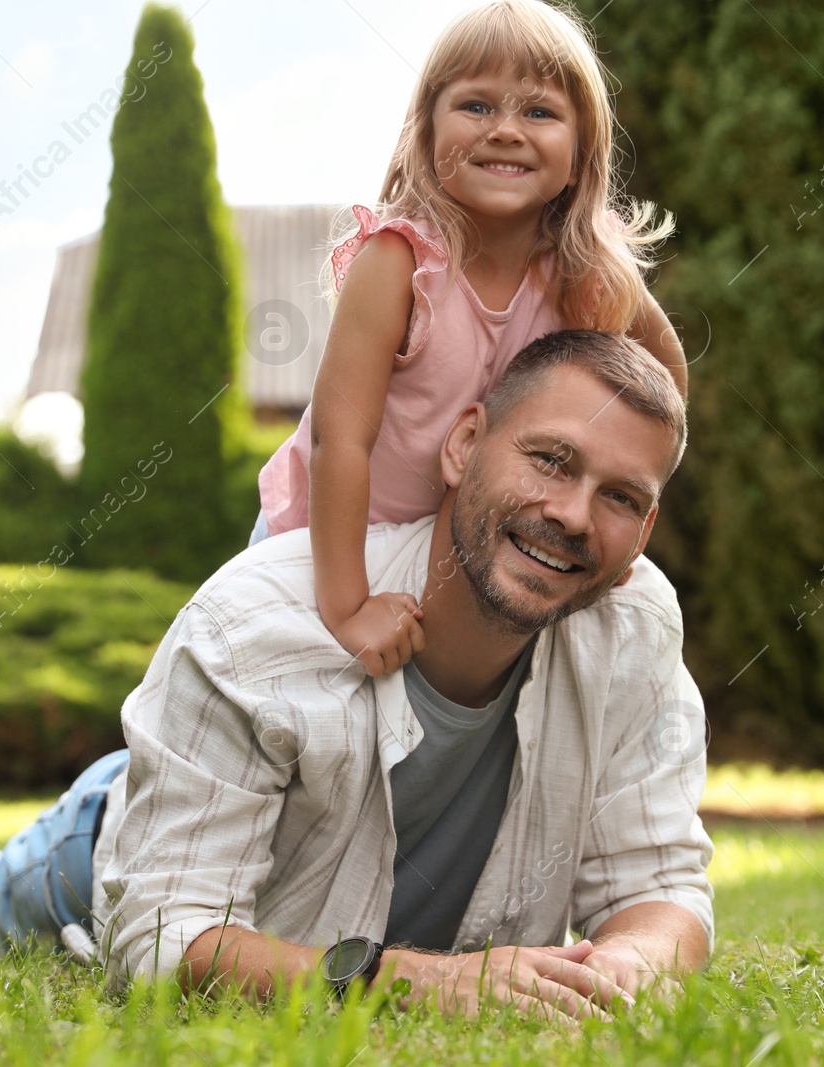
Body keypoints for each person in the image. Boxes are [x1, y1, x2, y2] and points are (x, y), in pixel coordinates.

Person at [0, 331, 712, 1023]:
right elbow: (163, 937)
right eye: (552, 460)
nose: (571, 515)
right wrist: (418, 982)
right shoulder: (257, 623)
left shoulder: (634, 629)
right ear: (464, 444)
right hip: (113, 836)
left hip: (237, 804)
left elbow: (662, 884)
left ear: (644, 528)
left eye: (618, 496)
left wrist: (627, 969)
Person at [254, 0, 688, 678]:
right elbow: (340, 438)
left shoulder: (583, 272)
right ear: (427, 131)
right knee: (274, 694)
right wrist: (346, 605)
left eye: (539, 112)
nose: (506, 131)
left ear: (580, 155)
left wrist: (618, 521)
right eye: (477, 106)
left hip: (462, 546)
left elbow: (666, 376)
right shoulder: (399, 263)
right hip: (329, 540)